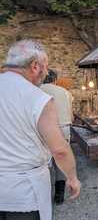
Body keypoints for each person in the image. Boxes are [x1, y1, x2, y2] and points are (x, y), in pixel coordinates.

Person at [0, 40, 80, 220]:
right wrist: (72, 178)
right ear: (35, 66)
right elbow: (59, 150)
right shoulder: (38, 97)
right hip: (23, 194)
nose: (45, 73)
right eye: (45, 67)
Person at [41, 70, 74, 204]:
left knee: (45, 162)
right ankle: (59, 195)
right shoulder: (65, 92)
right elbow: (71, 116)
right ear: (55, 80)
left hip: (45, 129)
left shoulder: (36, 90)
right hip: (64, 128)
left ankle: (44, 194)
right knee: (60, 161)